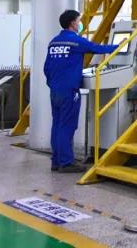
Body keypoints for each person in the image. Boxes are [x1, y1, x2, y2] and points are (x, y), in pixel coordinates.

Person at [43, 10, 116, 173]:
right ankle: (66, 162)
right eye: (79, 20)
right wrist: (121, 45)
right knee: (67, 126)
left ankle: (56, 160)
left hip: (55, 90)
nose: (80, 23)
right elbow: (97, 48)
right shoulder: (76, 41)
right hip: (69, 91)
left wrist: (54, 84)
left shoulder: (53, 42)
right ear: (73, 23)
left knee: (57, 124)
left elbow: (46, 68)